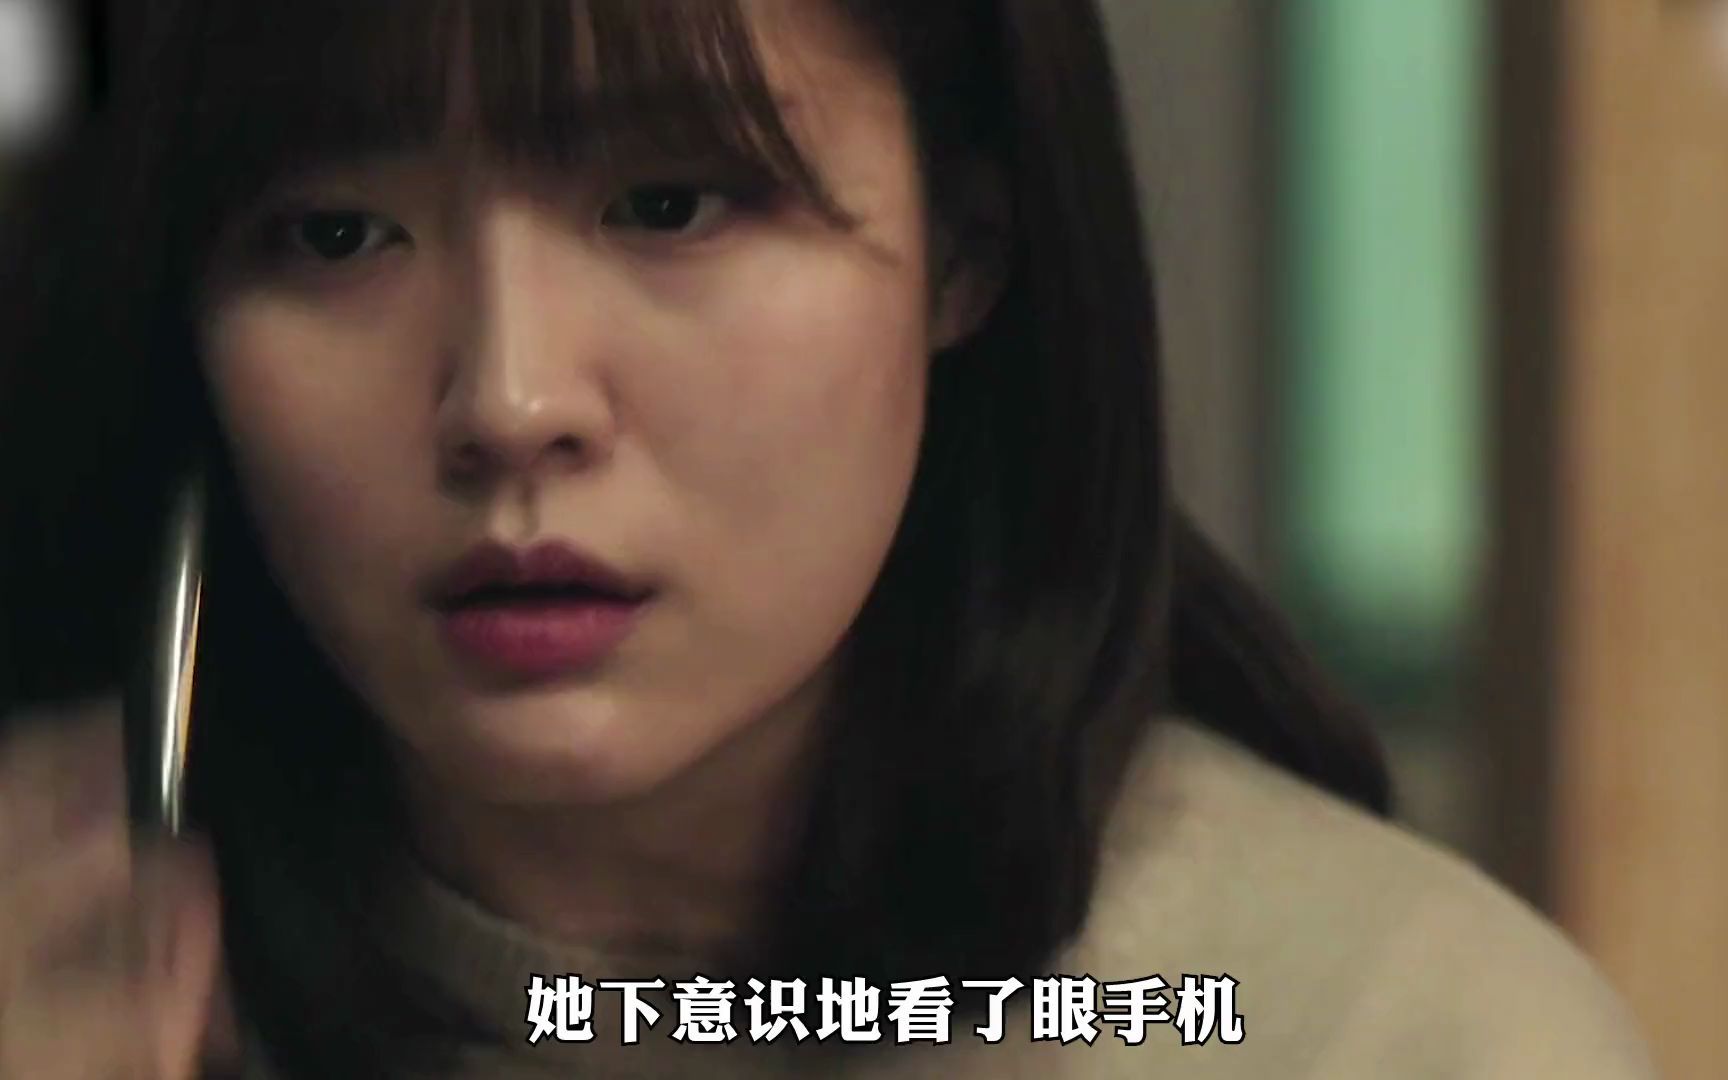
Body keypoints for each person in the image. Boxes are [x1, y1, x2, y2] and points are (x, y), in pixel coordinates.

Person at [0, 1, 1656, 1077]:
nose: (508, 400)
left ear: (967, 250)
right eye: (334, 235)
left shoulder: (1387, 1031)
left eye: (670, 205)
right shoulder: (73, 988)